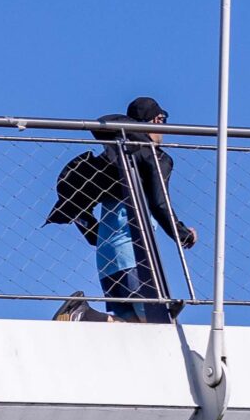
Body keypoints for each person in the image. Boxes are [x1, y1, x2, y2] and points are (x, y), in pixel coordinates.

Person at [48, 96, 198, 324]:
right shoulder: (155, 158)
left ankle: (83, 316)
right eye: (163, 120)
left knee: (132, 327)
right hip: (134, 255)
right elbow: (159, 204)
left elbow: (80, 210)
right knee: (156, 324)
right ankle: (83, 313)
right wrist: (183, 234)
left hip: (107, 258)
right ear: (156, 120)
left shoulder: (113, 158)